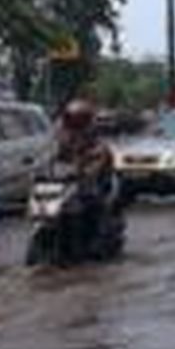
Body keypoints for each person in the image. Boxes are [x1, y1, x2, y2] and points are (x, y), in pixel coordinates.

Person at [54, 99, 116, 252]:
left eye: (79, 118)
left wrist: (89, 168)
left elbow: (101, 156)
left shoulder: (95, 137)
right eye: (72, 118)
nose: (75, 122)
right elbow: (52, 154)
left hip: (95, 181)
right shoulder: (61, 132)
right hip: (68, 181)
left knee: (93, 201)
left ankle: (95, 239)